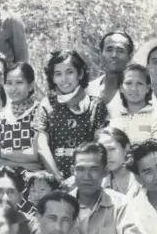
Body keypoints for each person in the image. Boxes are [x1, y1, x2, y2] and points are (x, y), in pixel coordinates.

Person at [34, 50, 109, 180]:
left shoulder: (95, 105)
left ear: (80, 74)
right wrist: (58, 178)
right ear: (52, 78)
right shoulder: (46, 104)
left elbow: (100, 147)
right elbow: (42, 146)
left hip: (87, 178)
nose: (64, 79)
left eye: (69, 72)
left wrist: (81, 177)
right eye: (58, 74)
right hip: (53, 179)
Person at [0, 63, 43, 172]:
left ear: (31, 85)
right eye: (9, 83)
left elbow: (38, 154)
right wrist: (21, 165)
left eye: (19, 82)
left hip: (36, 181)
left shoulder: (41, 112)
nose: (13, 88)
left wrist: (3, 153)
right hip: (6, 179)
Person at [89, 31, 135, 107]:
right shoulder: (88, 90)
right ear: (100, 54)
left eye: (120, 50)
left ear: (130, 56)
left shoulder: (137, 92)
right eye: (109, 50)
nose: (114, 55)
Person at [96, 127, 136, 196]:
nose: (107, 155)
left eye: (111, 149)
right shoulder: (100, 184)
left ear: (126, 148)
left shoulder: (141, 180)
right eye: (102, 150)